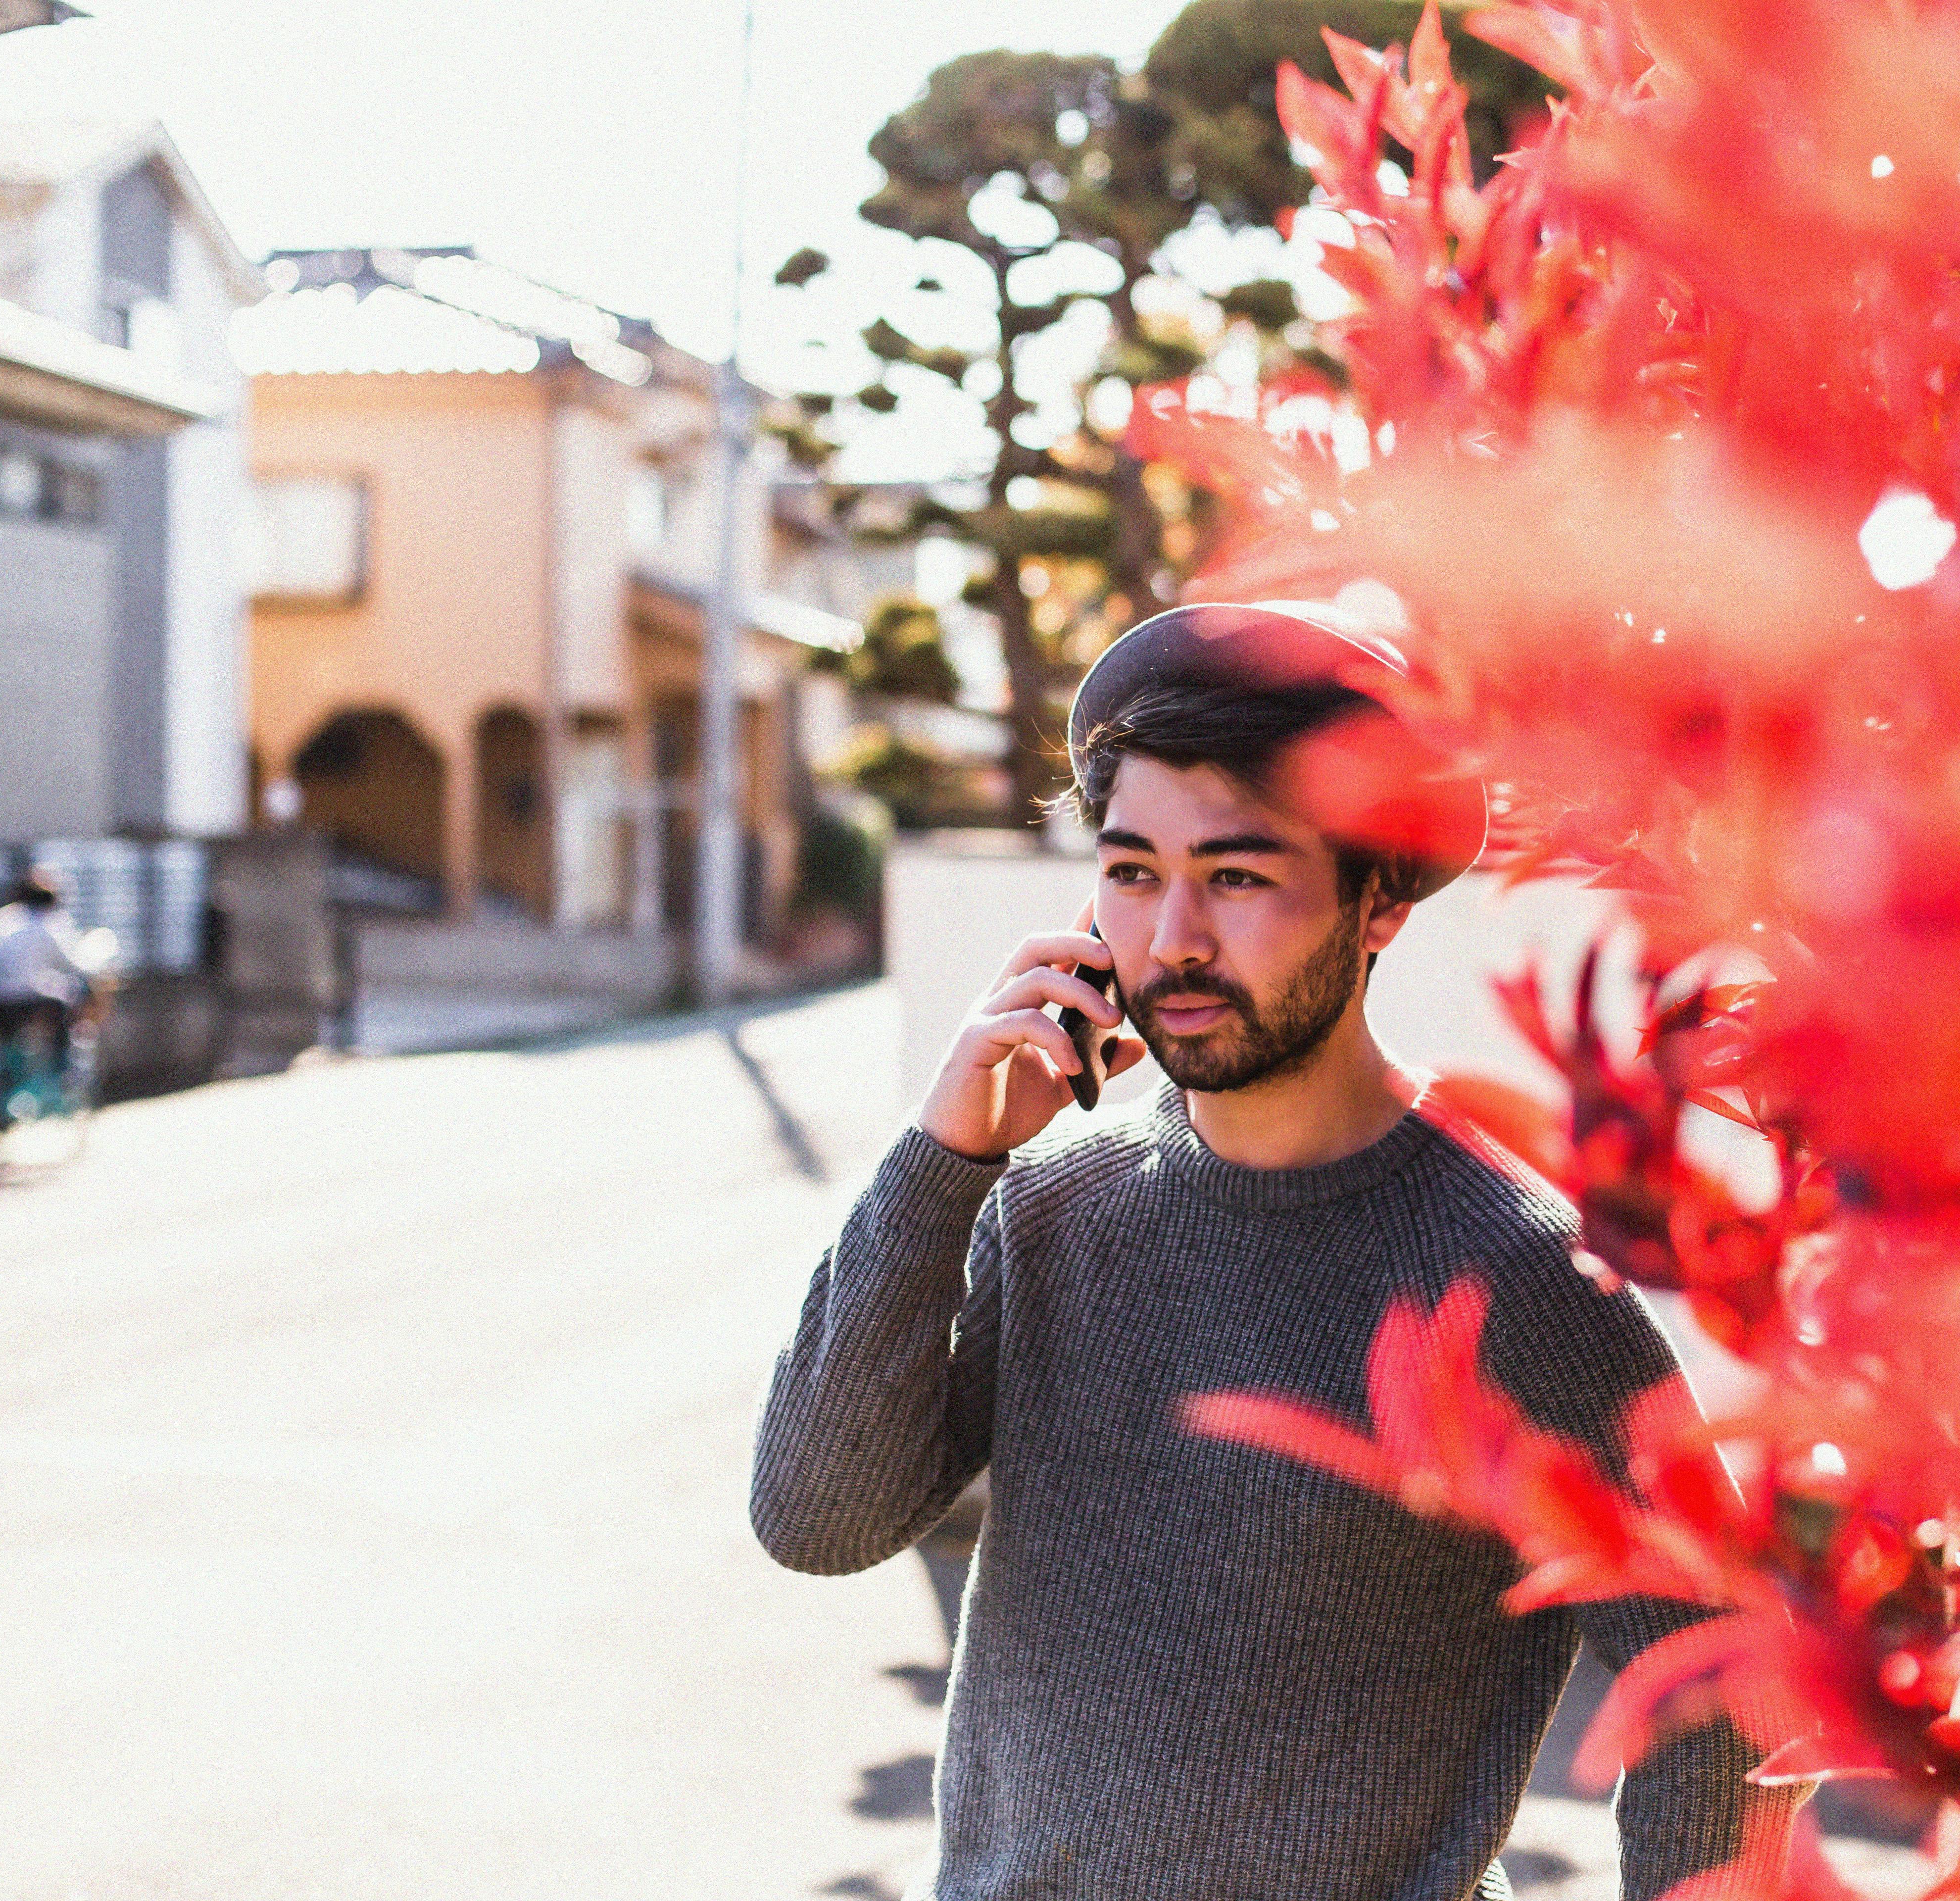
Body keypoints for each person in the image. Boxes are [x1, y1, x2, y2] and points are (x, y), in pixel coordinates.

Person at [752, 602, 1796, 1901]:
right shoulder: (1049, 1209)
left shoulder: (1520, 1275)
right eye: (1133, 872)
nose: (1174, 938)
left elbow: (1724, 1700)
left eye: (1238, 874)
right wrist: (938, 1166)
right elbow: (815, 1520)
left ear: (1379, 905)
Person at [0, 868, 94, 1074]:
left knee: (5, 1044)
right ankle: (63, 1069)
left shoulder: (2, 918)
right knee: (65, 1009)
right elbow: (74, 963)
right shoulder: (52, 923)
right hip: (24, 998)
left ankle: (6, 1076)